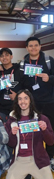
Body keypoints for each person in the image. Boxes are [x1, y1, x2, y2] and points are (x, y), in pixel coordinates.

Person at [4, 89, 54, 179]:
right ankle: (24, 174)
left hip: (38, 160)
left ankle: (33, 174)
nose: (23, 101)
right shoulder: (12, 120)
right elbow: (11, 144)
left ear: (30, 100)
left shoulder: (42, 118)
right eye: (20, 99)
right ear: (17, 102)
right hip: (20, 160)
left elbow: (50, 142)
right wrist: (12, 134)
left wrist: (45, 130)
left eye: (26, 98)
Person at [21, 36, 54, 170]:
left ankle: (51, 157)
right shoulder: (23, 63)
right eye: (30, 46)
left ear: (40, 47)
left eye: (36, 45)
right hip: (31, 105)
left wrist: (49, 78)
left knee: (50, 131)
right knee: (32, 131)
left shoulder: (48, 61)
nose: (33, 48)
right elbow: (21, 81)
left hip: (49, 103)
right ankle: (32, 156)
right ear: (27, 48)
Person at [0, 48, 22, 122]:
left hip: (18, 108)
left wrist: (18, 96)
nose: (4, 57)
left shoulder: (19, 71)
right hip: (2, 109)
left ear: (11, 56)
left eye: (7, 55)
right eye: (2, 56)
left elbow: (26, 88)